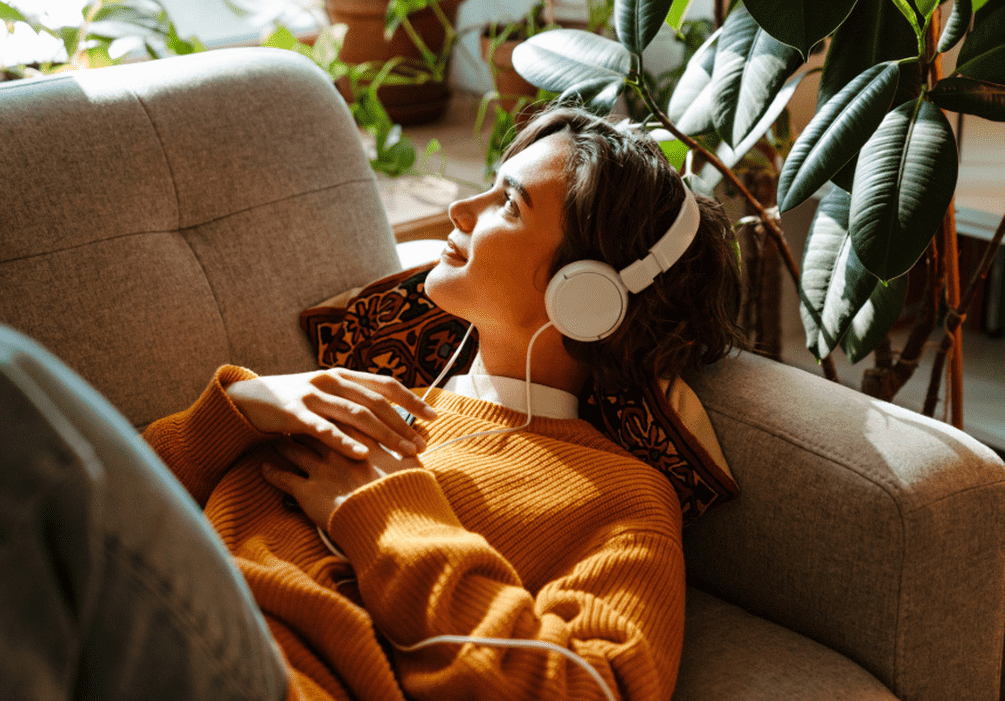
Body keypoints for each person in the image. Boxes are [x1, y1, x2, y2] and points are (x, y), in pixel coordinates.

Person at [4, 106, 744, 701]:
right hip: (137, 622)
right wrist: (243, 407)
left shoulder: (624, 498)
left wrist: (390, 515)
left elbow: (582, 687)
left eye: (507, 205)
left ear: (584, 296)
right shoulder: (367, 394)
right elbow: (99, 506)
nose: (460, 207)